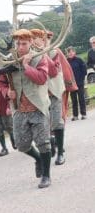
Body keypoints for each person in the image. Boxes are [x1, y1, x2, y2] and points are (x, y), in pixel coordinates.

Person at [7, 29, 52, 189]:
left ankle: (46, 175)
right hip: (19, 109)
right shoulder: (10, 60)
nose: (20, 47)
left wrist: (26, 65)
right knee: (21, 145)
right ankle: (38, 159)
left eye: (24, 43)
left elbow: (41, 79)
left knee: (43, 143)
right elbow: (2, 79)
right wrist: (8, 92)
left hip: (38, 107)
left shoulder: (40, 57)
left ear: (31, 42)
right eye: (18, 43)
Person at [31, 29, 66, 165]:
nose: (34, 41)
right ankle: (50, 144)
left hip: (54, 92)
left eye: (36, 38)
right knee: (44, 124)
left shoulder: (53, 52)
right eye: (32, 39)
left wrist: (43, 52)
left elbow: (52, 71)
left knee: (57, 121)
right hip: (40, 94)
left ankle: (61, 152)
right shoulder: (31, 55)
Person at [66, 46, 87, 120]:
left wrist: (82, 79)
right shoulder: (66, 61)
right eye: (69, 52)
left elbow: (84, 70)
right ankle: (75, 115)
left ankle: (83, 114)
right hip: (71, 84)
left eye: (71, 52)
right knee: (74, 100)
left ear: (74, 52)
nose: (70, 53)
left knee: (81, 98)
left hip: (80, 83)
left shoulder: (79, 60)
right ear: (67, 54)